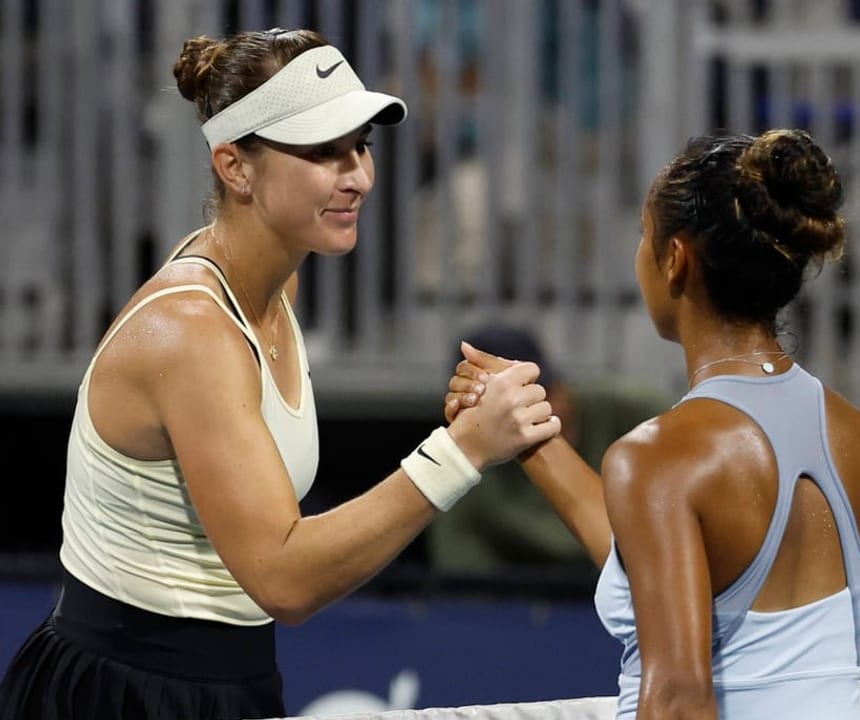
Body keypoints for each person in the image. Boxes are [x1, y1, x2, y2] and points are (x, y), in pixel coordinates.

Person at [0, 28, 560, 720]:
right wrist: (464, 450)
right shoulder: (192, 335)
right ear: (235, 168)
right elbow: (284, 578)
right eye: (323, 151)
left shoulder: (273, 290)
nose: (356, 174)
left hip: (226, 681)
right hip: (121, 696)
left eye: (361, 146)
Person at [446, 128, 860, 719]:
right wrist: (528, 431)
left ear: (675, 260)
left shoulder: (661, 454)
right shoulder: (850, 430)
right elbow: (663, 563)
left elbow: (677, 702)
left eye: (642, 235)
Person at [428, 322, 667, 580]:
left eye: (541, 392)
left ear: (559, 383)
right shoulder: (470, 464)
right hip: (527, 602)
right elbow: (460, 578)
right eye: (509, 410)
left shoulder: (632, 413)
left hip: (645, 578)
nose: (535, 412)